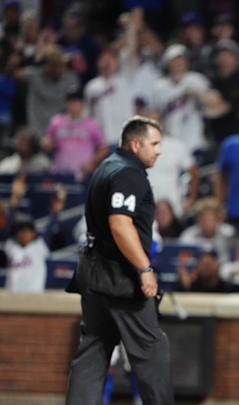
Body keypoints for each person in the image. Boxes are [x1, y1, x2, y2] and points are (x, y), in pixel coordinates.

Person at [65, 116, 173, 404]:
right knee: (152, 353)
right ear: (135, 144)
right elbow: (120, 225)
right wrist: (144, 267)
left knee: (92, 353)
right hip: (121, 278)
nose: (159, 150)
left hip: (93, 272)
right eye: (154, 143)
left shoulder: (107, 165)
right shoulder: (127, 173)